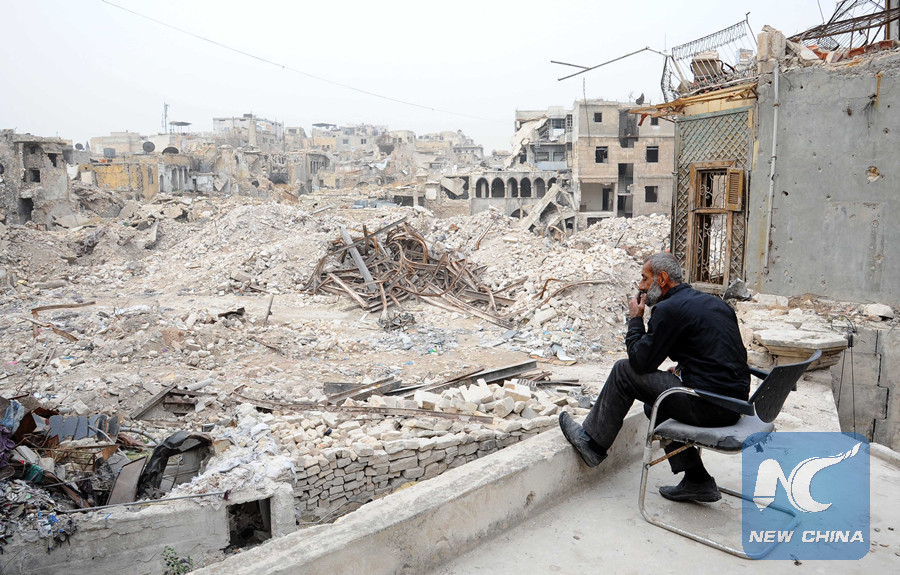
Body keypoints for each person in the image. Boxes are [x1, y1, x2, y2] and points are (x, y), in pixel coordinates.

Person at [559, 252, 750, 502]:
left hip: (709, 405)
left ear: (662, 279)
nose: (641, 286)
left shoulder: (668, 309)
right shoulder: (714, 303)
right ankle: (698, 480)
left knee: (623, 371)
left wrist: (635, 320)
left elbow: (640, 362)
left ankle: (592, 444)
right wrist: (682, 371)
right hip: (734, 404)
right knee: (654, 405)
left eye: (644, 279)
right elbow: (714, 353)